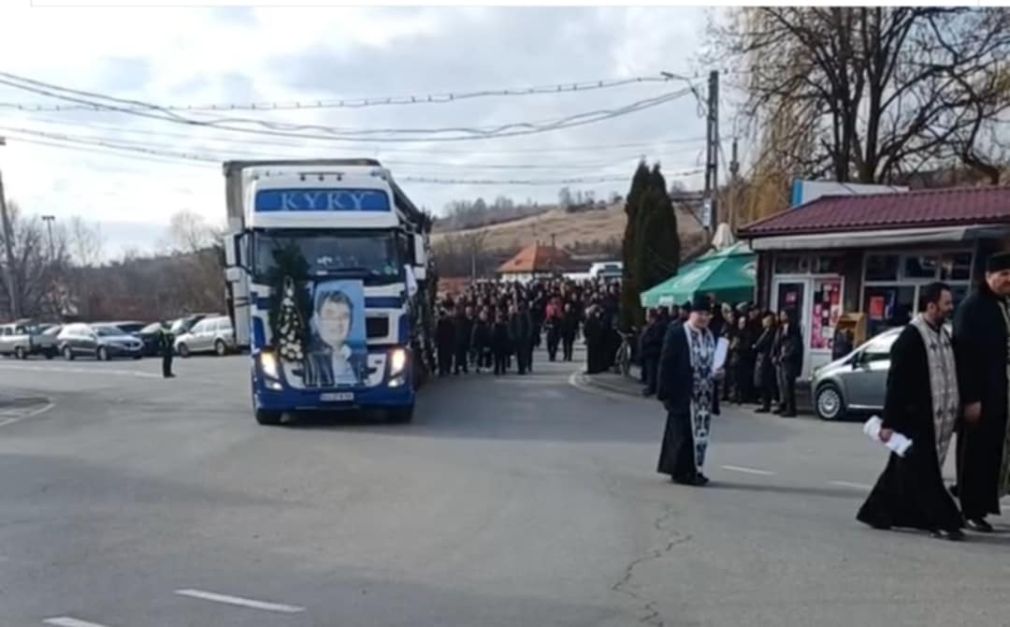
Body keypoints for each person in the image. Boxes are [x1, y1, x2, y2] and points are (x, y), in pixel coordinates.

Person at [857, 282, 964, 541]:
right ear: (931, 306)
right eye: (946, 303)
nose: (951, 308)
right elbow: (896, 383)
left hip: (934, 415)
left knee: (901, 471)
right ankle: (941, 521)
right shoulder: (911, 338)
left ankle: (877, 511)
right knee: (925, 472)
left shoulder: (941, 333)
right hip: (913, 417)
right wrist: (889, 422)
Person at [952, 251, 1010, 532]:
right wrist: (971, 398)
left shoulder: (1003, 305)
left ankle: (983, 506)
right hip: (979, 394)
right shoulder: (972, 307)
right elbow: (965, 356)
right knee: (973, 451)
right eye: (1003, 275)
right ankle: (968, 508)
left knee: (991, 451)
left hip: (999, 391)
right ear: (988, 276)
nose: (1008, 280)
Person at [656, 295, 720, 486]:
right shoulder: (678, 333)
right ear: (691, 314)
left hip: (703, 394)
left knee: (699, 435)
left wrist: (718, 372)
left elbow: (713, 362)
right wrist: (664, 392)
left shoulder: (710, 335)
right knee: (683, 435)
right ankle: (683, 472)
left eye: (707, 314)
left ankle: (696, 469)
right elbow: (666, 363)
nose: (703, 318)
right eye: (700, 313)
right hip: (682, 392)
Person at [304, 290, 367, 388]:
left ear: (351, 324)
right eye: (330, 315)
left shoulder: (358, 359)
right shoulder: (307, 360)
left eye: (344, 316)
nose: (337, 323)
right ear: (317, 319)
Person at [773, 310, 802, 417]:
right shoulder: (780, 328)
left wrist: (786, 355)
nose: (781, 317)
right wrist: (775, 355)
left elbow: (795, 346)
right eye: (781, 315)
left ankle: (791, 409)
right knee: (781, 385)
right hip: (780, 361)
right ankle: (783, 405)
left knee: (788, 385)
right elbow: (776, 343)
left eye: (784, 314)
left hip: (789, 362)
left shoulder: (794, 329)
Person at [752, 312, 777, 413]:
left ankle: (767, 403)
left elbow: (761, 344)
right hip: (761, 358)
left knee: (765, 381)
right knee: (761, 382)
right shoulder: (765, 331)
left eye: (766, 320)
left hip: (766, 359)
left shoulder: (771, 332)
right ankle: (765, 403)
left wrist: (756, 346)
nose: (763, 322)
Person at [639, 309, 665, 397]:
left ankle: (652, 388)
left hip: (653, 352)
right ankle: (650, 386)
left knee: (652, 371)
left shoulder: (657, 326)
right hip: (649, 352)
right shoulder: (650, 326)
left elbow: (656, 338)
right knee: (650, 371)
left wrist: (647, 340)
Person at [509, 301, 534, 375]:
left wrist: (528, 335)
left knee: (523, 353)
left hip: (524, 337)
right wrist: (512, 336)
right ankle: (521, 367)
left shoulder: (526, 315)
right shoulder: (514, 316)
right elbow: (511, 326)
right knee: (519, 354)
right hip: (517, 338)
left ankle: (523, 367)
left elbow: (530, 326)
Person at [471, 309, 493, 374]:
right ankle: (478, 366)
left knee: (488, 353)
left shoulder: (488, 324)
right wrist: (473, 343)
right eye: (483, 315)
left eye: (485, 315)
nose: (484, 317)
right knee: (479, 354)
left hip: (487, 341)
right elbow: (474, 335)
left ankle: (487, 366)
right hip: (479, 342)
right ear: (480, 316)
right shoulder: (477, 324)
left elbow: (490, 333)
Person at [453, 305, 473, 375]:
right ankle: (464, 368)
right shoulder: (465, 320)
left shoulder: (455, 320)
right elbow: (469, 330)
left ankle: (457, 369)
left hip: (457, 339)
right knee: (463, 355)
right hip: (462, 339)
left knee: (458, 355)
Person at [436, 307, 455, 377]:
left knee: (446, 356)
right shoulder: (441, 323)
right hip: (442, 342)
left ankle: (446, 369)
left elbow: (452, 332)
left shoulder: (447, 323)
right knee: (442, 356)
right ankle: (443, 370)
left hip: (446, 342)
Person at [492, 311, 511, 375]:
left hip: (502, 344)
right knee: (497, 358)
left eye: (500, 318)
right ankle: (497, 369)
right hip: (496, 344)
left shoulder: (504, 326)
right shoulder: (494, 325)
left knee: (502, 358)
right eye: (498, 318)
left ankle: (503, 369)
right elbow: (492, 335)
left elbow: (507, 335)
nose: (499, 319)